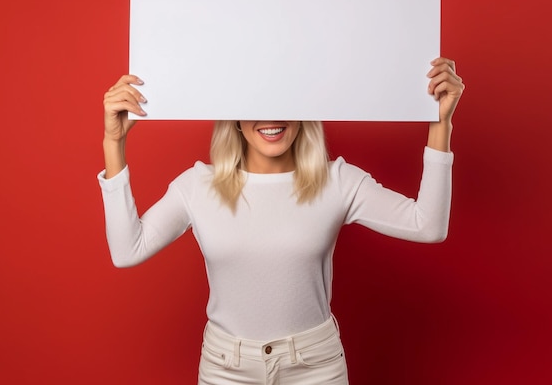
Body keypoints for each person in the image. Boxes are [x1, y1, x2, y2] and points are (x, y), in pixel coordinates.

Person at [98, 57, 464, 385]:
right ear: (233, 116)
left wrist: (441, 123)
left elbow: (427, 224)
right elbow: (128, 250)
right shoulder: (197, 186)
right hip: (226, 368)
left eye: (285, 99)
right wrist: (113, 144)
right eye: (256, 101)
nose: (272, 117)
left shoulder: (337, 180)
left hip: (315, 366)